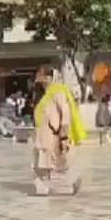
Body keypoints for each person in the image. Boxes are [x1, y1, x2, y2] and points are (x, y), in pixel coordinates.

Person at [32, 66, 84, 196]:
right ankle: (46, 187)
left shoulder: (58, 91)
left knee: (55, 165)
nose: (39, 78)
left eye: (42, 75)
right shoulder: (47, 93)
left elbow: (65, 115)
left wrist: (63, 136)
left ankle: (68, 184)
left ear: (49, 77)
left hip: (53, 136)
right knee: (44, 165)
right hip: (44, 136)